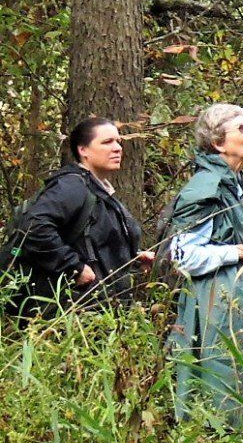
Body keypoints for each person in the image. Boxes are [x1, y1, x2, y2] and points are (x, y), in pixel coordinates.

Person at [168, 103, 243, 428]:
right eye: (242, 128)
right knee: (221, 390)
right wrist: (241, 251)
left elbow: (236, 240)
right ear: (219, 143)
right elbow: (183, 254)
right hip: (217, 308)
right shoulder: (206, 187)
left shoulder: (236, 182)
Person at [9, 117, 153, 314]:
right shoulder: (72, 186)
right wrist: (73, 267)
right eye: (107, 142)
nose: (117, 148)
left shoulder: (97, 190)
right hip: (68, 313)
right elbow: (34, 226)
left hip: (97, 314)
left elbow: (92, 243)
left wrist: (131, 258)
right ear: (83, 150)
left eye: (118, 142)